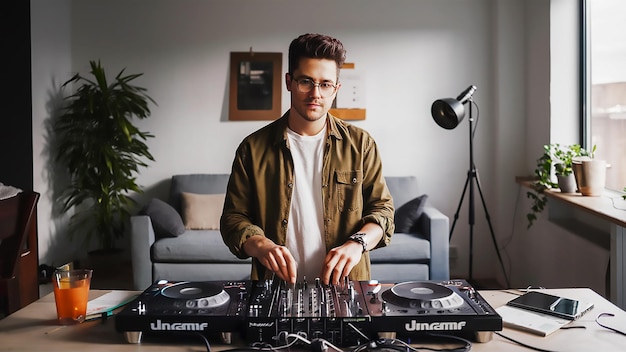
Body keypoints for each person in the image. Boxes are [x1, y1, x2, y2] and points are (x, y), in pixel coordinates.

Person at [220, 33, 394, 286]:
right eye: (306, 82)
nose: (316, 94)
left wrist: (357, 243)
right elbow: (233, 218)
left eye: (325, 84)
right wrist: (260, 244)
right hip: (275, 287)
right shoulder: (252, 148)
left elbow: (383, 212)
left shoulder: (361, 144)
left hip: (347, 287)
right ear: (289, 82)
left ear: (336, 89)